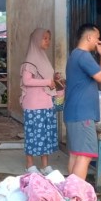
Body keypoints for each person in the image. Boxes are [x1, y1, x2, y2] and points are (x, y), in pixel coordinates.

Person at [64, 24, 101, 185]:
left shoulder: (74, 55)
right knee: (84, 155)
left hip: (73, 112)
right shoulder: (84, 56)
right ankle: (77, 197)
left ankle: (72, 195)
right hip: (83, 115)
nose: (98, 41)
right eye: (97, 37)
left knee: (76, 154)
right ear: (89, 37)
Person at [20, 28, 64, 175]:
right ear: (36, 40)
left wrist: (54, 77)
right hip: (34, 104)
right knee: (33, 134)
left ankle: (45, 165)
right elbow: (26, 80)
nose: (48, 41)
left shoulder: (43, 58)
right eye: (44, 38)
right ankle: (29, 165)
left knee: (45, 134)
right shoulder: (30, 60)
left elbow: (45, 78)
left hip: (46, 103)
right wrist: (47, 81)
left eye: (48, 38)